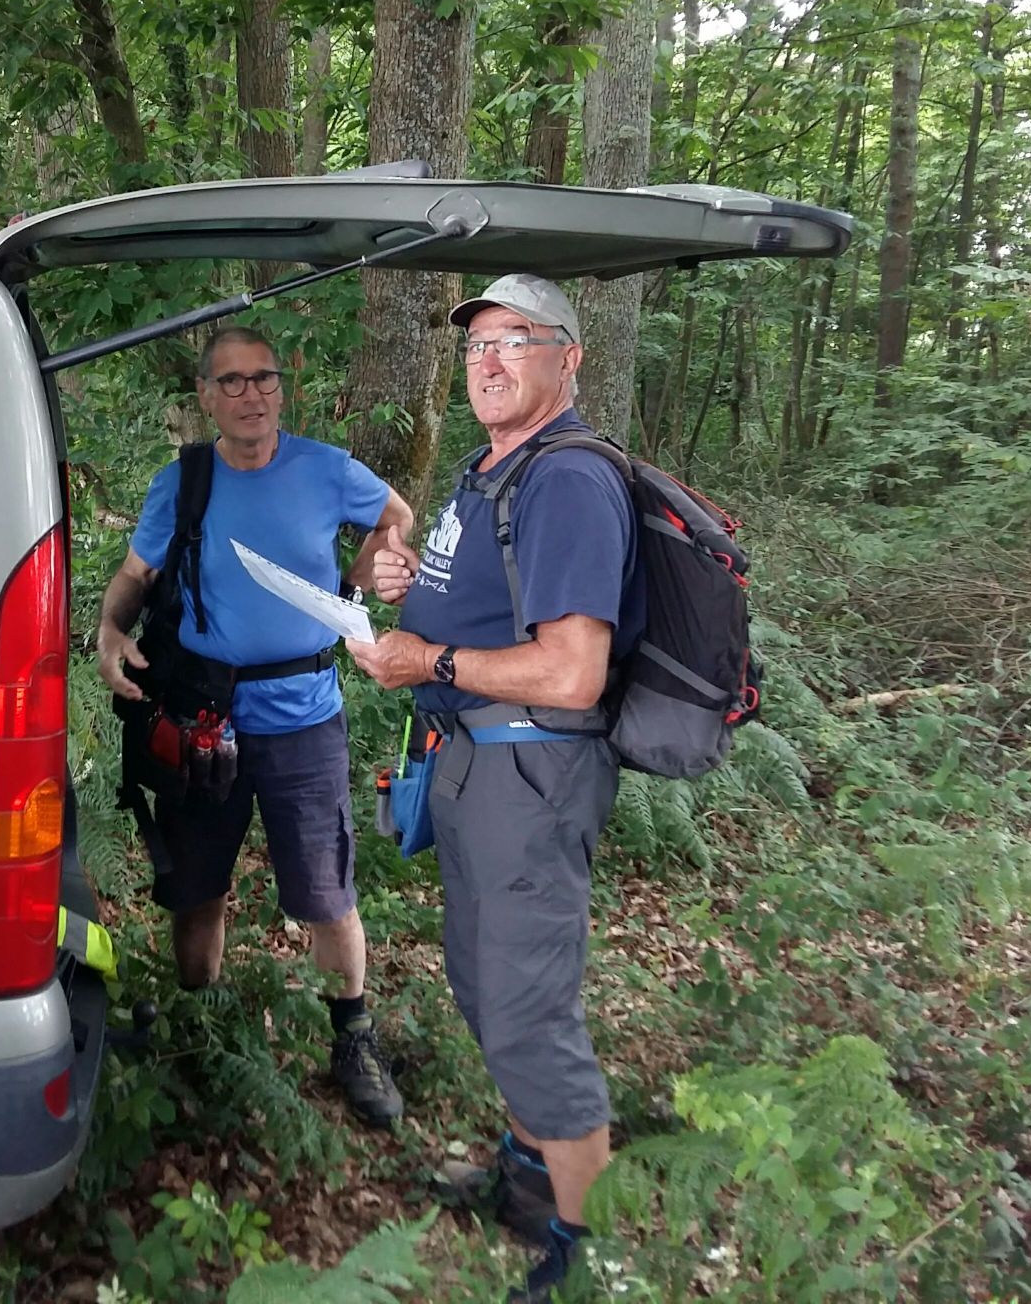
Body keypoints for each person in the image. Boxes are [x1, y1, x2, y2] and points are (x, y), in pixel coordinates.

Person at [346, 275, 643, 1301]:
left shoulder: (569, 481)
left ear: (569, 358)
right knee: (484, 983)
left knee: (528, 1012)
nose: (488, 360)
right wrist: (405, 585)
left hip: (531, 770)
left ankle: (588, 1253)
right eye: (476, 343)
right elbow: (477, 596)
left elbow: (573, 671)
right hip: (473, 762)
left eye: (515, 339)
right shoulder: (490, 470)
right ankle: (528, 1181)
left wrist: (425, 660)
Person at [96, 325, 413, 1127]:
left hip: (306, 719)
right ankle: (201, 1032)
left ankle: (352, 1036)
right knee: (196, 891)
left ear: (282, 387)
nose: (250, 395)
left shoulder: (325, 469)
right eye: (231, 382)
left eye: (263, 378)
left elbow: (397, 515)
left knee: (327, 893)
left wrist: (358, 583)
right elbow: (136, 574)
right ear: (206, 396)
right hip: (202, 719)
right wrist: (108, 632)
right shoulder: (184, 482)